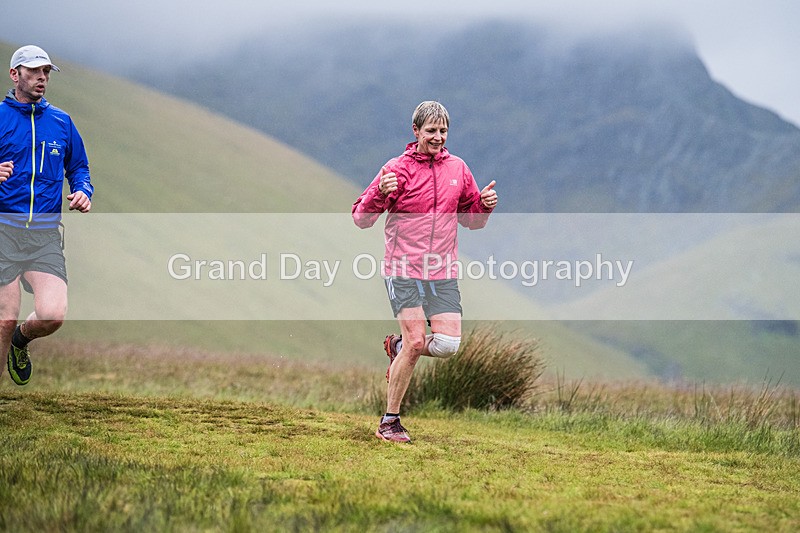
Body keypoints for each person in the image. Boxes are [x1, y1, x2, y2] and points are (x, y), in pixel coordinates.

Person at [352, 101, 497, 443]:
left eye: (443, 131)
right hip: (403, 269)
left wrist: (484, 206)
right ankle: (389, 422)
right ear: (415, 131)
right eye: (431, 131)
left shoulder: (458, 169)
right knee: (418, 343)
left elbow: (471, 221)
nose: (438, 137)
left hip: (441, 271)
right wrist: (379, 192)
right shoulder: (396, 169)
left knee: (447, 346)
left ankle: (398, 345)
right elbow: (361, 217)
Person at [0, 45, 94, 386]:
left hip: (43, 237)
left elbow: (79, 167)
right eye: (35, 71)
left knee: (53, 315)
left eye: (47, 72)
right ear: (15, 75)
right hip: (3, 232)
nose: (42, 77)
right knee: (4, 319)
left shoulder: (61, 122)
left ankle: (20, 343)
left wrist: (84, 191)